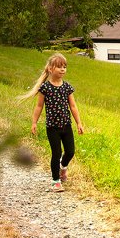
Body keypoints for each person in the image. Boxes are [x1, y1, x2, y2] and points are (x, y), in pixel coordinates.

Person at [23, 53, 85, 192]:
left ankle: (63, 167)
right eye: (59, 67)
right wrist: (34, 122)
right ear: (51, 69)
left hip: (66, 126)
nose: (63, 69)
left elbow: (73, 106)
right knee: (56, 153)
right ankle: (56, 181)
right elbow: (39, 106)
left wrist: (79, 123)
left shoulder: (67, 87)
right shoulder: (45, 88)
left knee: (70, 151)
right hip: (52, 127)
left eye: (64, 67)